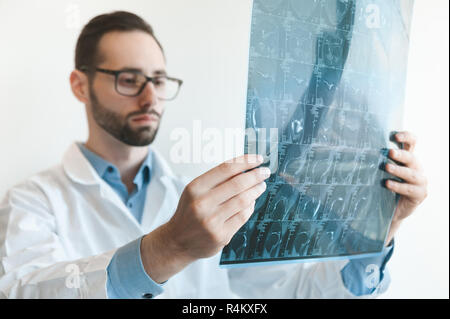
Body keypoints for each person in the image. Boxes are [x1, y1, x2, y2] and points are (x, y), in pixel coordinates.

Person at [0, 11, 427, 299]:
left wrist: (378, 232)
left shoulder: (207, 195)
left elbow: (289, 291)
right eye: (129, 79)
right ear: (80, 84)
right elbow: (23, 290)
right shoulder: (33, 201)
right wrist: (168, 247)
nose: (151, 96)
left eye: (159, 79)